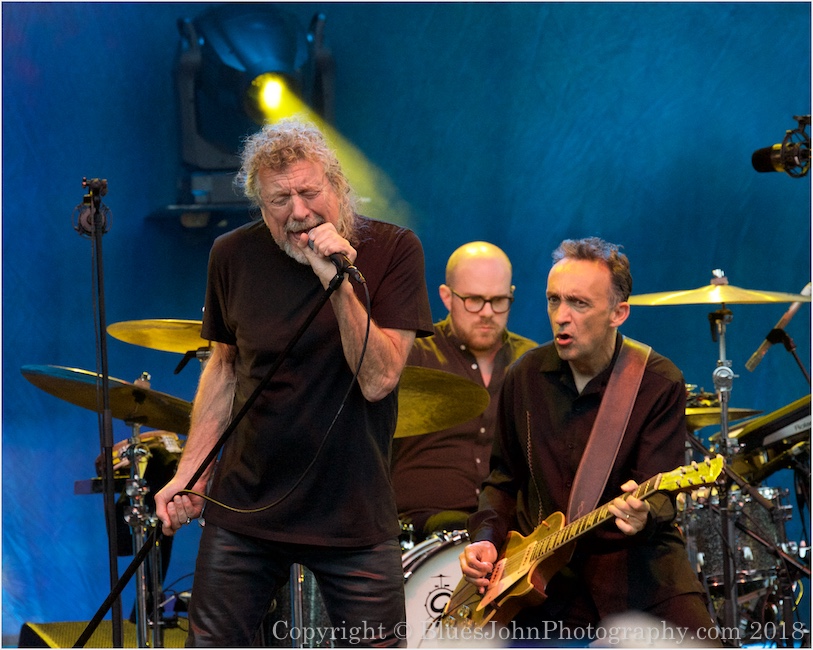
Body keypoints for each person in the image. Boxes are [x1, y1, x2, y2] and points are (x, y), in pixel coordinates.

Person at [154, 119, 433, 647]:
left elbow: (378, 380)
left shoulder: (394, 250)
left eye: (309, 192)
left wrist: (336, 280)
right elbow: (225, 369)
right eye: (280, 199)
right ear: (259, 204)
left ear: (339, 186)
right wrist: (191, 474)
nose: (299, 212)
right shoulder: (232, 255)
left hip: (352, 507)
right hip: (245, 503)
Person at [460, 237, 719, 644]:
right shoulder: (523, 377)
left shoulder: (657, 382)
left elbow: (660, 493)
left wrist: (643, 514)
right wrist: (486, 540)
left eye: (579, 304)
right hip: (539, 580)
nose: (561, 316)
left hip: (635, 571)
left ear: (619, 313)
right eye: (553, 300)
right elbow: (503, 481)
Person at [391, 241, 537, 542]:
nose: (487, 313)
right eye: (474, 300)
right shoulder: (411, 356)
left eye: (498, 301)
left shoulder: (531, 363)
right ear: (447, 296)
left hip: (512, 532)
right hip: (423, 529)